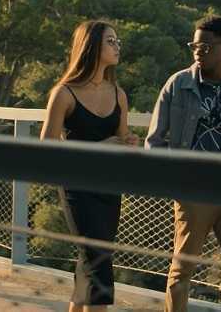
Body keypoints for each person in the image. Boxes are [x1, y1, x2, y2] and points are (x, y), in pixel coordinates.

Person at [145, 16, 221, 312]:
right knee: (182, 271)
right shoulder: (179, 84)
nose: (198, 52)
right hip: (193, 194)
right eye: (194, 46)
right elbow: (155, 140)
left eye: (205, 46)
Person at [40, 21, 138, 312]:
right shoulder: (64, 93)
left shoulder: (119, 94)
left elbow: (120, 141)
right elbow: (45, 150)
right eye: (111, 41)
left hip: (109, 188)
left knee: (90, 262)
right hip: (77, 188)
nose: (117, 46)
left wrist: (129, 143)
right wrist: (101, 146)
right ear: (91, 45)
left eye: (118, 41)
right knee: (99, 263)